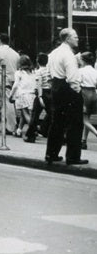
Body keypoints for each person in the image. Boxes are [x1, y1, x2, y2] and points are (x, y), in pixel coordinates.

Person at [45, 28, 87, 165]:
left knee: (57, 122)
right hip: (68, 89)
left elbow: (47, 73)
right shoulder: (68, 55)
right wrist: (78, 91)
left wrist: (53, 86)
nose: (77, 39)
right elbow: (72, 78)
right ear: (67, 39)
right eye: (75, 37)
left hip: (56, 87)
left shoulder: (54, 53)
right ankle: (73, 156)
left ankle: (51, 154)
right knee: (75, 123)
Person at [23, 52, 52, 143]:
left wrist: (40, 96)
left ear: (37, 61)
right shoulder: (49, 70)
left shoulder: (39, 72)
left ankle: (30, 135)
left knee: (35, 116)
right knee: (52, 114)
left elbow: (39, 84)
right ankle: (52, 133)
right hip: (50, 93)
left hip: (42, 93)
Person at [9, 54, 36, 137]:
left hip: (22, 95)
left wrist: (11, 95)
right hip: (32, 95)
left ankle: (33, 129)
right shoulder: (33, 72)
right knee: (24, 115)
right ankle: (19, 130)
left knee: (24, 114)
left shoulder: (18, 73)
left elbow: (16, 85)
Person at [79, 51, 97, 150]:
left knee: (84, 119)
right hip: (93, 93)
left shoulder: (80, 71)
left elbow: (77, 82)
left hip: (84, 93)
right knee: (87, 119)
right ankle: (84, 140)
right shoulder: (95, 71)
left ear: (83, 61)